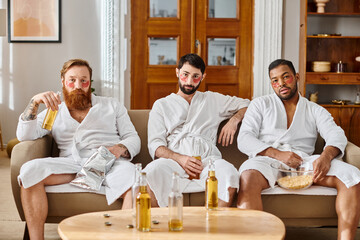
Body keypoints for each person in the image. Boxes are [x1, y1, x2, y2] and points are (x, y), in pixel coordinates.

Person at [16, 59, 141, 240]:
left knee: (136, 181)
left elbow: (133, 138)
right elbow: (24, 135)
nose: (78, 85)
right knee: (29, 171)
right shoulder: (54, 109)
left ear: (90, 83)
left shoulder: (111, 105)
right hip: (70, 164)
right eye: (72, 80)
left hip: (110, 163)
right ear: (62, 81)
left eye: (84, 81)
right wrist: (35, 102)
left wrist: (118, 149)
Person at [237, 59, 360, 240]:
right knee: (247, 177)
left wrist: (325, 157)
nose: (281, 84)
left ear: (296, 77)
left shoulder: (314, 109)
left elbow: (336, 135)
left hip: (304, 163)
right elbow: (244, 139)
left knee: (352, 177)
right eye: (275, 80)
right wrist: (278, 154)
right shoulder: (260, 104)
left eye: (286, 77)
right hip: (267, 161)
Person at [144, 53, 250, 207]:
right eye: (185, 75)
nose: (189, 81)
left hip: (208, 161)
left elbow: (248, 104)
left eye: (195, 77)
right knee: (152, 171)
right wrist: (180, 159)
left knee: (229, 174)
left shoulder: (212, 99)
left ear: (203, 77)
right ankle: (161, 227)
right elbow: (156, 145)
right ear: (177, 72)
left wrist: (234, 120)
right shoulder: (161, 105)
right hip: (173, 162)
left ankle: (214, 225)